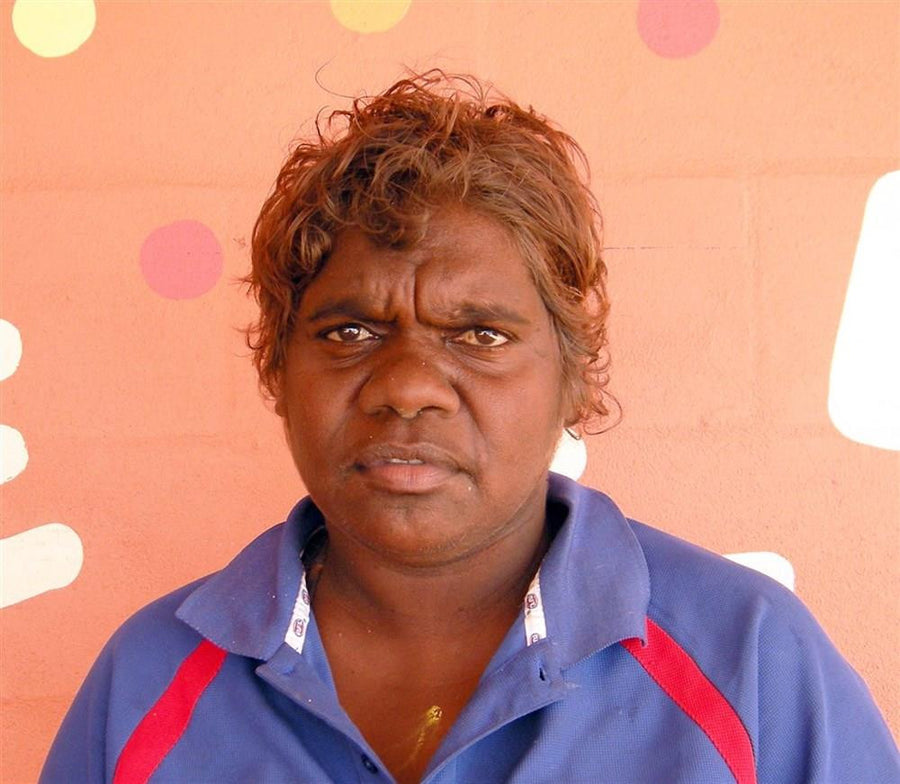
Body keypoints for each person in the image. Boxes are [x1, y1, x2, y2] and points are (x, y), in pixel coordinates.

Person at [41, 72, 897, 784]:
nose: (408, 387)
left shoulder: (750, 662)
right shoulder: (145, 683)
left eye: (480, 335)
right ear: (277, 370)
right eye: (350, 332)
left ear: (571, 379)